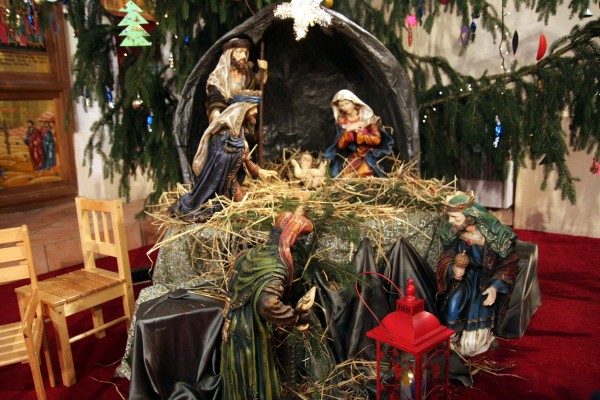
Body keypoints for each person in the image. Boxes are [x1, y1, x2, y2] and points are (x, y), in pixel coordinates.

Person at [221, 206, 315, 400]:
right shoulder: (276, 267)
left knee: (238, 377)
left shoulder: (249, 254)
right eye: (300, 240)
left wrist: (228, 318)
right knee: (254, 377)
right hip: (251, 330)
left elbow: (231, 289)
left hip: (233, 323)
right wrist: (295, 317)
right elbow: (268, 304)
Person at [169, 92, 277, 222]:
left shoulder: (239, 130)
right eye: (252, 109)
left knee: (240, 200)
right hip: (218, 181)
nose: (255, 112)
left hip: (230, 180)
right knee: (214, 203)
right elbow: (223, 161)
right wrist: (239, 153)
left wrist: (257, 170)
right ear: (242, 110)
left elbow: (243, 157)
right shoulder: (224, 133)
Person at [435, 191, 519, 356]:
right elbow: (447, 254)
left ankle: (479, 339)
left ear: (469, 216)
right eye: (450, 217)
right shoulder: (455, 232)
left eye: (455, 218)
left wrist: (495, 286)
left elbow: (508, 262)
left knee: (479, 308)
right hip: (462, 279)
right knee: (453, 305)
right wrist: (452, 268)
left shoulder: (494, 235)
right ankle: (451, 339)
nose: (450, 222)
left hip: (484, 280)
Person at [324, 89, 394, 178]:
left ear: (354, 103)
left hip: (371, 153)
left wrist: (361, 135)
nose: (345, 107)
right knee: (345, 175)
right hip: (356, 154)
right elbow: (340, 146)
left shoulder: (367, 118)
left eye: (347, 103)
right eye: (341, 105)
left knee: (361, 174)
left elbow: (377, 139)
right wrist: (348, 130)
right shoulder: (343, 122)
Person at [206, 37, 268, 123]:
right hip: (224, 115)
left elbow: (257, 85)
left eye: (245, 52)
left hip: (243, 118)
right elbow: (215, 100)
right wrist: (216, 113)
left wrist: (264, 71)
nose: (243, 56)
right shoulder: (217, 77)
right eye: (240, 52)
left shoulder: (247, 73)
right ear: (230, 53)